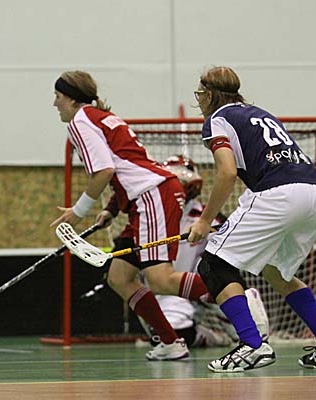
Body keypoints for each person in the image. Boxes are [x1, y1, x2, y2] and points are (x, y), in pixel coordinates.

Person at [187, 66, 316, 372]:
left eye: (199, 94)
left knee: (213, 265)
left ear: (209, 94)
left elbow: (227, 172)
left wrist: (205, 220)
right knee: (277, 272)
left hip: (280, 194)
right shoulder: (260, 113)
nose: (199, 101)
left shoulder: (217, 119)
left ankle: (252, 345)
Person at [50, 71, 215, 361]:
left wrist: (78, 212)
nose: (55, 103)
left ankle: (234, 294)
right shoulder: (102, 117)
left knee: (161, 280)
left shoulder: (80, 121)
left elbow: (105, 171)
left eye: (58, 97)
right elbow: (129, 167)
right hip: (147, 198)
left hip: (151, 197)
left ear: (73, 99)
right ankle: (171, 342)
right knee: (119, 277)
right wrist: (111, 209)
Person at [150, 155, 269, 348]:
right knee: (167, 336)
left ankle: (242, 304)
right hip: (172, 291)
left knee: (250, 333)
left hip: (209, 288)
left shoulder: (208, 218)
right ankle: (214, 337)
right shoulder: (153, 217)